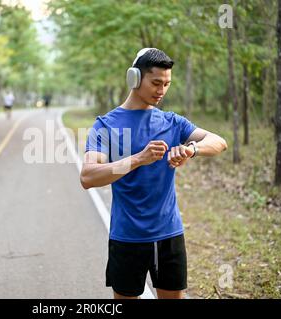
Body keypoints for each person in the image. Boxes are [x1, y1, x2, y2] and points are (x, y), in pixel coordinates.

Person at [80, 48, 228, 299]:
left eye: (167, 84)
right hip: (127, 237)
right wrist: (138, 159)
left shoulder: (172, 122)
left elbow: (219, 142)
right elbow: (88, 176)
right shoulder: (106, 125)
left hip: (169, 234)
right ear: (134, 78)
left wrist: (191, 150)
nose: (161, 90)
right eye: (156, 83)